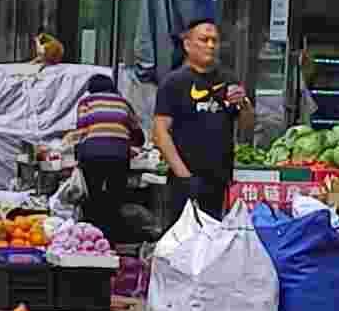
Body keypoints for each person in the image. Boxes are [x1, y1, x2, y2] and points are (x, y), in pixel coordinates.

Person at [153, 16, 248, 224]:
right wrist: (184, 176)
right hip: (185, 178)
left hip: (219, 180)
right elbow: (160, 133)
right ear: (187, 45)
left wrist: (244, 104)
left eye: (215, 41)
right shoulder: (174, 82)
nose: (211, 45)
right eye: (204, 40)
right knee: (183, 238)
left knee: (214, 238)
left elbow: (247, 125)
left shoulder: (228, 79)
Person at [68, 61, 141, 240]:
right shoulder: (123, 102)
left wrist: (76, 153)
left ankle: (92, 236)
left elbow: (81, 130)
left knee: (92, 195)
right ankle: (112, 237)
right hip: (119, 155)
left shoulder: (86, 102)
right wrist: (134, 143)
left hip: (92, 154)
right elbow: (136, 130)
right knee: (115, 196)